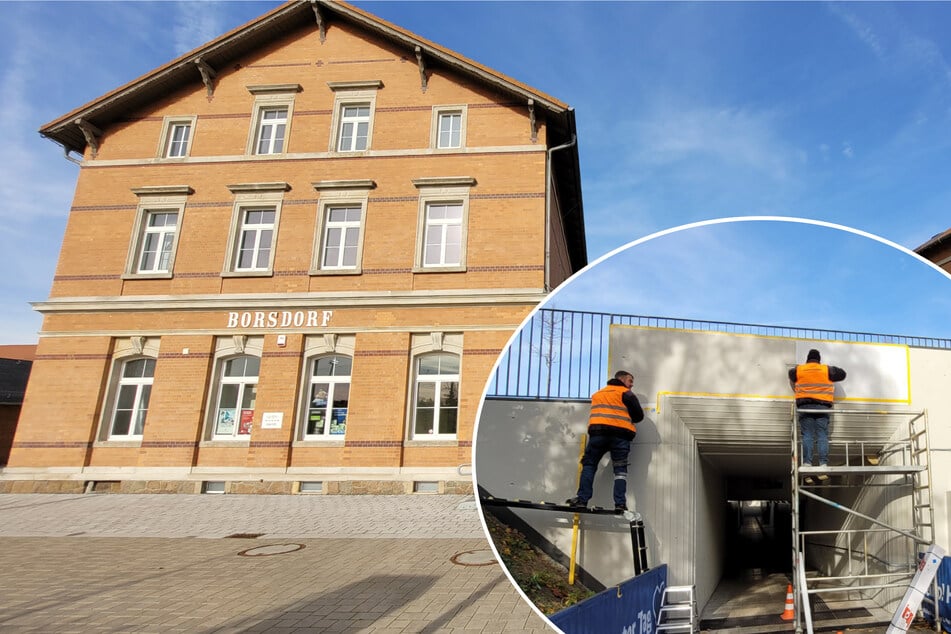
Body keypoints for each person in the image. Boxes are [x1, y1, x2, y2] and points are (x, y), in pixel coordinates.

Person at [566, 370, 645, 512]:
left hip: (598, 435)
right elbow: (639, 416)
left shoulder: (597, 394)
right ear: (621, 379)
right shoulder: (626, 394)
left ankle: (582, 500)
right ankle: (620, 503)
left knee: (589, 465)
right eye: (630, 381)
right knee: (620, 470)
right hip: (620, 437)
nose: (631, 385)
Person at [789, 349, 846, 474]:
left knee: (807, 435)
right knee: (822, 435)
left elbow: (791, 374)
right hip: (822, 407)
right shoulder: (826, 369)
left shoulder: (799, 369)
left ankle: (807, 462)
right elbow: (843, 374)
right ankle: (823, 463)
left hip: (805, 406)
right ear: (819, 360)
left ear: (807, 359)